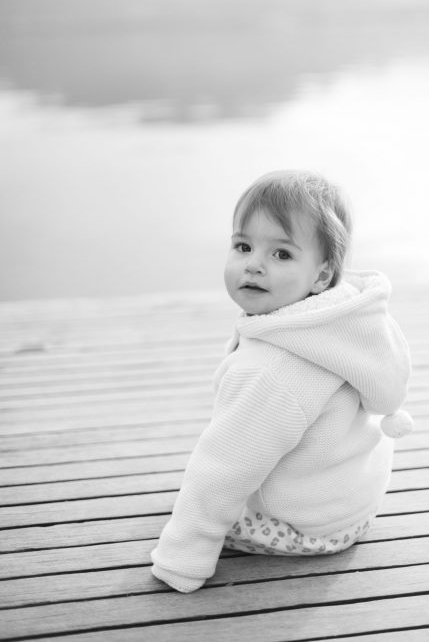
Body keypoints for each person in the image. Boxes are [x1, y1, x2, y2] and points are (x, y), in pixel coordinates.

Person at [151, 169, 412, 593]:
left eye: (282, 255)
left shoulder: (272, 371)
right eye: (243, 246)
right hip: (350, 508)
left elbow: (225, 469)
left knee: (205, 482)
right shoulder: (344, 325)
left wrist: (182, 558)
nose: (253, 264)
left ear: (322, 276)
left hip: (302, 528)